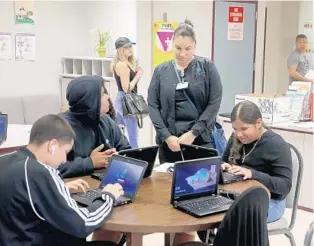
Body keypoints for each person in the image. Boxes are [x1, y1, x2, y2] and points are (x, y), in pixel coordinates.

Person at [0, 114, 124, 246]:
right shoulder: (40, 172)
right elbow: (83, 224)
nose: (64, 160)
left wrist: (55, 187)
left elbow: (20, 196)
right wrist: (108, 196)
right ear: (52, 145)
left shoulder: (6, 160)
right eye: (65, 151)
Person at [147, 19, 223, 164]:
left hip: (200, 140)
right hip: (170, 143)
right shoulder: (161, 71)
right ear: (172, 44)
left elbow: (214, 103)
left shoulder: (207, 67)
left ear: (195, 45)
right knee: (168, 184)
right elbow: (152, 105)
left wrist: (193, 133)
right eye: (178, 48)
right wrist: (166, 136)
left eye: (188, 49)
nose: (182, 54)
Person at [222, 100, 292, 223]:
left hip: (272, 202)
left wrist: (252, 174)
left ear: (258, 123)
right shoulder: (235, 138)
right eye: (235, 129)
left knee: (235, 218)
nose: (239, 134)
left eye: (244, 129)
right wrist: (224, 167)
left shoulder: (276, 145)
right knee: (210, 210)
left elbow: (284, 186)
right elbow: (223, 162)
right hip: (238, 195)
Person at [58, 75, 131, 178]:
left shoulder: (106, 120)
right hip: (74, 188)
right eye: (102, 94)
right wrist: (90, 163)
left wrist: (118, 157)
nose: (108, 97)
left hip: (107, 184)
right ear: (89, 102)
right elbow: (52, 169)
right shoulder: (60, 127)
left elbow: (126, 149)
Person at [111, 37, 143, 148]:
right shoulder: (122, 65)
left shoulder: (123, 63)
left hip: (122, 100)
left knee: (120, 133)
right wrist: (138, 75)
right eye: (126, 47)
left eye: (130, 46)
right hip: (126, 100)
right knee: (132, 136)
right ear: (120, 50)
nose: (130, 49)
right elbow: (127, 88)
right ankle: (137, 159)